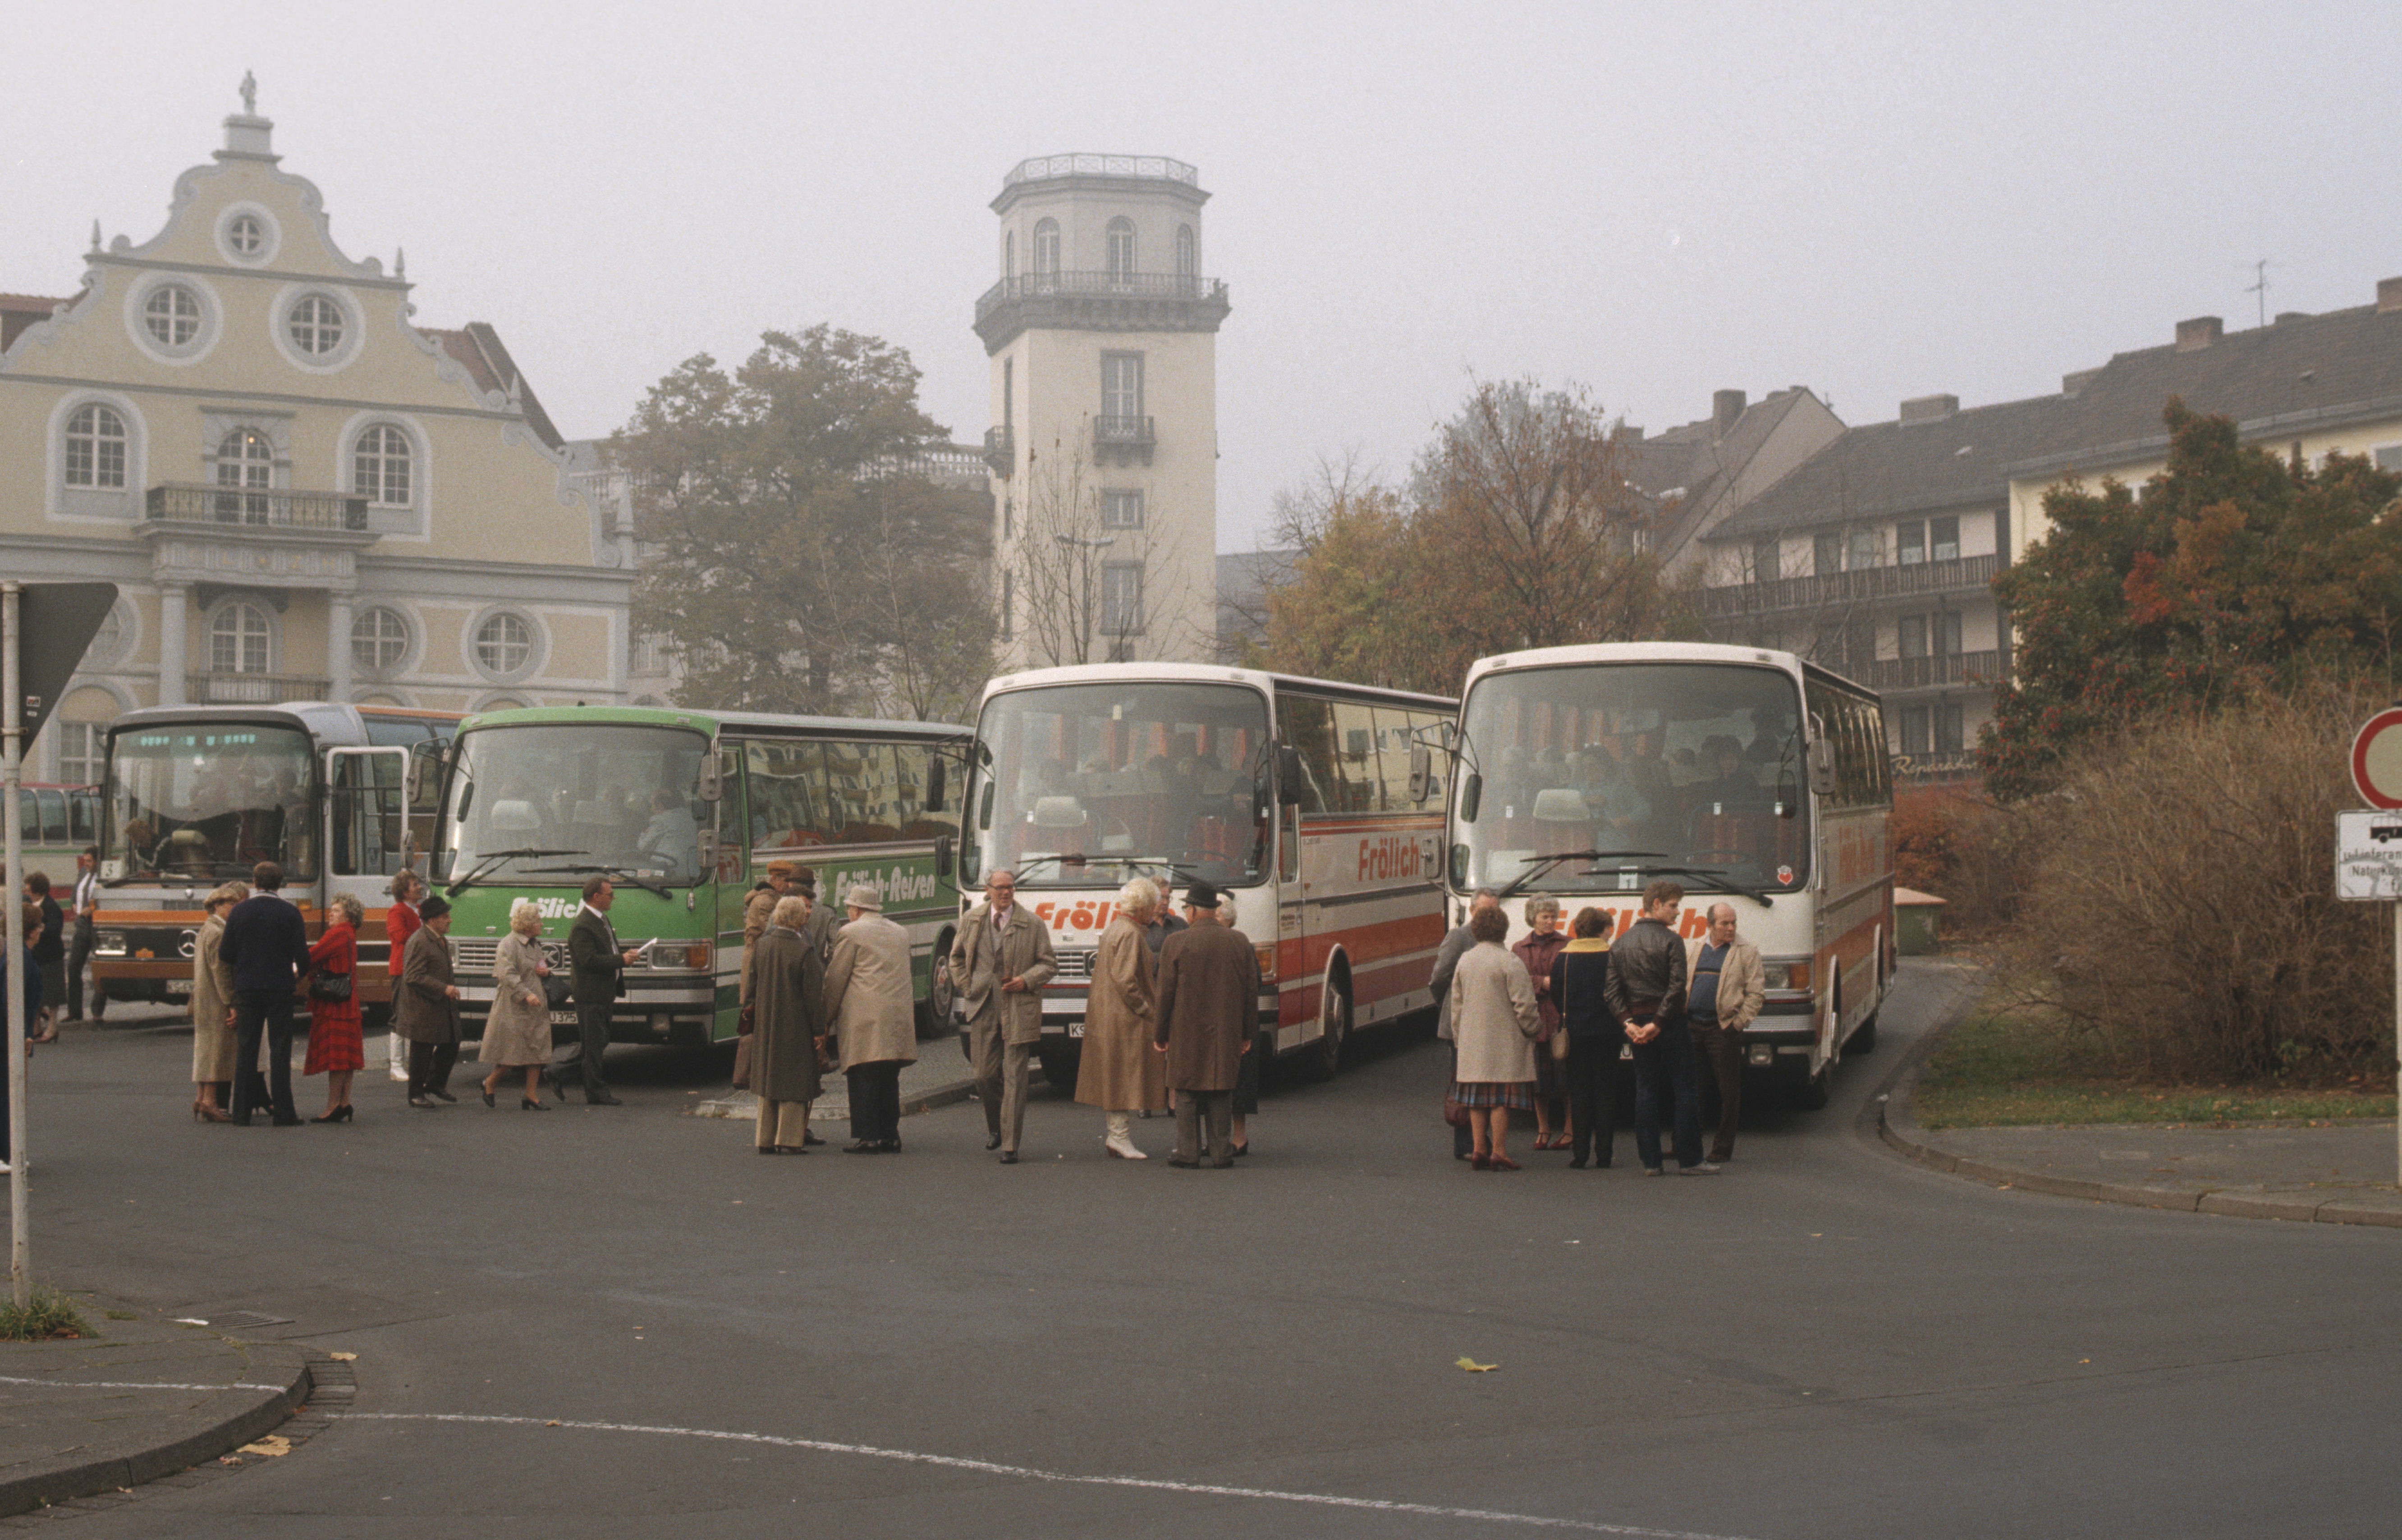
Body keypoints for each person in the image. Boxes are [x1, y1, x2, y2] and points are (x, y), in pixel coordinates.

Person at [1606, 881, 1714, 1175]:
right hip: (1671, 1022)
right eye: (1673, 905)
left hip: (1637, 1023)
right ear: (1656, 904)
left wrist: (1629, 1024)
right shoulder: (1671, 940)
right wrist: (1660, 1022)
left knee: (1646, 1088)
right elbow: (1677, 987)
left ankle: (1651, 1161)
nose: (1677, 912)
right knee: (1685, 1087)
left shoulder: (1620, 943)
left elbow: (1612, 993)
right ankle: (1690, 1158)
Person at [949, 868, 1056, 1163]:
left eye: (1010, 887)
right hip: (982, 1005)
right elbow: (956, 958)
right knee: (983, 1075)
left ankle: (1010, 1144)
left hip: (1018, 1008)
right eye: (1000, 888)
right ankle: (996, 1126)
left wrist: (1026, 980)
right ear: (988, 889)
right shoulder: (972, 920)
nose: (1006, 892)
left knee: (1015, 1078)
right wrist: (966, 985)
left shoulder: (1032, 924)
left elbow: (1048, 964)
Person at [1152, 880, 1261, 1168]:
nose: (1185, 912)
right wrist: (1248, 1033)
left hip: (1185, 1030)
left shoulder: (1176, 943)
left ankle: (1188, 1152)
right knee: (1222, 1087)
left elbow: (1165, 994)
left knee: (1186, 1089)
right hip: (1227, 1029)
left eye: (1187, 907)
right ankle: (1221, 1152)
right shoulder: (1239, 942)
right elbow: (1251, 992)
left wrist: (1160, 1034)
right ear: (1213, 910)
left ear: (1194, 911)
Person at [1074, 877, 1168, 1160]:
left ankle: (1118, 1136)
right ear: (1140, 908)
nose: (1154, 911)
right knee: (1126, 1076)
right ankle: (1119, 1137)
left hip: (1109, 1015)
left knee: (1114, 1076)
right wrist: (1146, 1010)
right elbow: (1126, 980)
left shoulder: (1116, 928)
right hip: (1125, 1018)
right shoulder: (1131, 933)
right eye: (1151, 906)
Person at [218, 861, 312, 1126]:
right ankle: (284, 1112)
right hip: (280, 986)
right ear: (280, 884)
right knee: (280, 1049)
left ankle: (241, 1112)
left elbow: (226, 953)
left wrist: (245, 962)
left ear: (254, 882)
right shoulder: (290, 913)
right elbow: (302, 955)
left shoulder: (240, 912)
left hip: (248, 987)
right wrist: (299, 974)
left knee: (247, 1048)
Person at [1447, 905, 1540, 1170]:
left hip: (1472, 1042)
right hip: (1505, 1042)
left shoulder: (1465, 960)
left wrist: (1459, 1039)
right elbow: (1524, 1005)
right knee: (1501, 1099)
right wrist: (1533, 1029)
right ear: (1504, 929)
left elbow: (1457, 1006)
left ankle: (1478, 1149)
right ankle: (1498, 1151)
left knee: (1477, 1099)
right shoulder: (1510, 961)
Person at [824, 885, 915, 1153]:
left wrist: (825, 1018)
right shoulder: (901, 932)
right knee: (889, 1076)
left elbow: (836, 978)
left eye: (849, 909)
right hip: (897, 1014)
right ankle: (891, 1134)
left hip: (865, 1015)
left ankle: (868, 1136)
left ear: (856, 909)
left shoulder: (851, 933)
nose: (848, 913)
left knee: (862, 1073)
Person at [1684, 902, 1766, 1165]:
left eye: (1733, 923)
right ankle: (1688, 1144)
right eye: (1724, 924)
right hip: (1693, 1027)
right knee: (1692, 1089)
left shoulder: (1746, 952)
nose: (1730, 928)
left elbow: (1756, 994)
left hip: (1723, 1030)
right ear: (1710, 926)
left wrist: (1738, 1024)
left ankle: (1722, 1148)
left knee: (1728, 1091)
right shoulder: (1694, 948)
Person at [549, 875, 638, 1106]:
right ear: (596, 897)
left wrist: (622, 957)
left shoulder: (601, 919)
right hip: (590, 994)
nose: (613, 898)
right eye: (610, 894)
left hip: (603, 992)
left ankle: (559, 1074)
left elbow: (606, 949)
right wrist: (622, 960)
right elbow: (588, 961)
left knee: (597, 1042)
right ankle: (596, 1092)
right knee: (595, 1045)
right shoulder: (582, 925)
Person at [750, 894, 828, 1153]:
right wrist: (819, 1031)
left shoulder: (762, 945)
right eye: (804, 913)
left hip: (766, 1023)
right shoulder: (803, 951)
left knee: (768, 1078)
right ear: (796, 919)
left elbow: (752, 984)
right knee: (795, 1081)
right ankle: (790, 1139)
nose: (808, 915)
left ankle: (765, 1139)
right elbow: (813, 998)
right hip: (795, 1025)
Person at [1429, 888, 1501, 1160]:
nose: (1490, 916)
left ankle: (1480, 1141)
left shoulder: (1497, 937)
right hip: (1460, 1023)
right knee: (1463, 1082)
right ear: (1471, 911)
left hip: (1486, 1022)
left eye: (1494, 911)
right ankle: (1467, 1144)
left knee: (1483, 1083)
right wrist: (1447, 1005)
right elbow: (1438, 978)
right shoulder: (1459, 937)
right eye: (1484, 911)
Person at [1549, 906, 1621, 1169]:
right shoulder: (1612, 956)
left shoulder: (1564, 958)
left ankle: (1580, 1154)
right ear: (1604, 930)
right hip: (1608, 1031)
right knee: (1606, 1093)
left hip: (1575, 1031)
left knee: (1579, 1092)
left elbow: (1557, 994)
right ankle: (1604, 1153)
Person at [479, 898, 556, 1110]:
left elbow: (539, 967)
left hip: (536, 1005)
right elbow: (506, 974)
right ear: (528, 924)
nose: (542, 924)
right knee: (512, 1052)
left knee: (537, 1050)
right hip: (514, 1006)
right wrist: (525, 994)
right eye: (539, 920)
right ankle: (490, 1082)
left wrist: (546, 971)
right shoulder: (509, 944)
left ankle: (531, 1096)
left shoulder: (535, 944)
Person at [1510, 893, 1571, 1150]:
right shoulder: (1519, 948)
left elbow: (1570, 977)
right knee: (1538, 1081)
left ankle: (1570, 1129)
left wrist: (1546, 982)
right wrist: (1542, 982)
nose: (1550, 921)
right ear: (1532, 918)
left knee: (1567, 1078)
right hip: (1533, 1021)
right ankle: (1543, 1128)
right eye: (1545, 917)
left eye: (1553, 916)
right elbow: (1517, 981)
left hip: (1561, 1018)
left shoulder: (1568, 944)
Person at [303, 892, 365, 1123]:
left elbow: (312, 955)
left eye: (337, 910)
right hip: (349, 1002)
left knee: (336, 1059)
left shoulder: (338, 933)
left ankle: (331, 1106)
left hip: (334, 1005)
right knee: (347, 1059)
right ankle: (344, 1103)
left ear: (348, 915)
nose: (331, 913)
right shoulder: (350, 933)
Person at [396, 894, 462, 1107]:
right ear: (432, 920)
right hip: (423, 1007)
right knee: (421, 1050)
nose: (450, 920)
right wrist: (444, 988)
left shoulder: (439, 939)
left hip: (440, 1005)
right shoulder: (420, 941)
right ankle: (415, 1094)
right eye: (445, 917)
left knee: (452, 1042)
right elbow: (413, 976)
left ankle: (435, 1084)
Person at [189, 881, 247, 1122]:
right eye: (230, 904)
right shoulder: (219, 932)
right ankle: (211, 1102)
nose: (235, 908)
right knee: (217, 1052)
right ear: (217, 905)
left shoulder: (205, 929)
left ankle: (201, 1098)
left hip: (203, 998)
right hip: (216, 1001)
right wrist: (232, 1003)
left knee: (204, 1049)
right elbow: (221, 972)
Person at [739, 860, 798, 1022]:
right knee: (756, 1016)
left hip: (760, 961)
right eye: (786, 880)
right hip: (758, 964)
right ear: (774, 878)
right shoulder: (766, 901)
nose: (788, 886)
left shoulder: (772, 899)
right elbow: (770, 934)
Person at [385, 871, 425, 1083]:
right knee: (400, 1015)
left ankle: (411, 1064)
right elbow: (400, 936)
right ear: (404, 891)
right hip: (402, 970)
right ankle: (396, 1066)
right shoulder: (396, 911)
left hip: (417, 970)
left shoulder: (418, 910)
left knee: (417, 1015)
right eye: (414, 884)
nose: (419, 887)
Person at [64, 848, 103, 1024]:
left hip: (96, 925)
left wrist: (93, 909)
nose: (86, 864)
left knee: (100, 967)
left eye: (89, 861)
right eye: (85, 861)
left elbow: (105, 900)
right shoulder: (83, 873)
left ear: (97, 861)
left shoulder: (102, 876)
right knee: (73, 967)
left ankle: (97, 1011)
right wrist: (75, 905)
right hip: (82, 925)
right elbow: (75, 894)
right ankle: (75, 1010)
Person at [23, 874, 63, 1044]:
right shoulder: (28, 904)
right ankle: (36, 1027)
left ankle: (52, 1028)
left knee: (52, 995)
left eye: (29, 888)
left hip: (50, 956)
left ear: (38, 890)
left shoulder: (51, 906)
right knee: (36, 992)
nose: (26, 891)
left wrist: (38, 929)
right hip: (35, 956)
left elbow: (54, 930)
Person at [638, 787, 700, 874]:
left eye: (652, 805)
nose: (651, 809)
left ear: (660, 805)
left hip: (666, 870)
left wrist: (645, 832)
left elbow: (644, 847)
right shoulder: (689, 818)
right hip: (690, 870)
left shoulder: (660, 820)